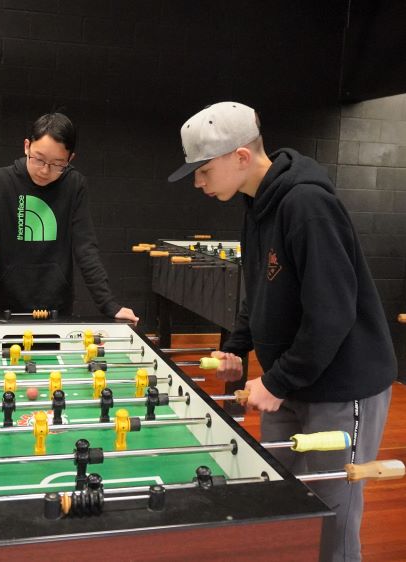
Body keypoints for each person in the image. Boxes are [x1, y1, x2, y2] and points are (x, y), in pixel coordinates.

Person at [168, 101, 396, 561]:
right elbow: (261, 291)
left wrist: (275, 380)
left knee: (330, 513)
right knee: (275, 494)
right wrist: (237, 348)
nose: (198, 182)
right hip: (292, 381)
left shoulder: (307, 204)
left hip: (340, 385)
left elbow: (332, 314)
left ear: (241, 157)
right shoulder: (257, 204)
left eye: (204, 170)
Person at [0, 112, 138, 332]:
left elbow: (85, 249)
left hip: (58, 309)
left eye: (57, 164)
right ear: (26, 147)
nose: (44, 170)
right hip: (7, 307)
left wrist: (109, 305)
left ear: (70, 159)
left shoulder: (74, 186)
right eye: (39, 159)